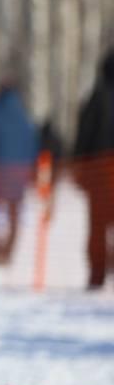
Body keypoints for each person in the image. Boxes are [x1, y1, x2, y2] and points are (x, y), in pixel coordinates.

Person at [0, 81, 38, 268]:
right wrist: (31, 172)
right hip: (19, 173)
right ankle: (7, 252)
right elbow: (32, 148)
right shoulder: (26, 119)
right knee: (14, 214)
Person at [74, 49, 114, 290]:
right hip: (99, 170)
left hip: (100, 172)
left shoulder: (98, 97)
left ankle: (97, 273)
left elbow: (85, 132)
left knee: (98, 225)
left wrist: (80, 165)